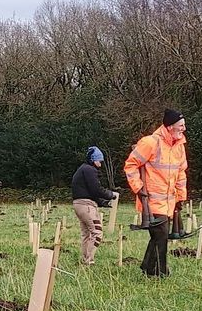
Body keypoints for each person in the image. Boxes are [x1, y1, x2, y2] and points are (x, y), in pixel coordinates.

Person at [124, 109, 189, 278]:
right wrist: (138, 188)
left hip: (169, 202)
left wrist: (181, 197)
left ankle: (148, 268)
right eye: (181, 125)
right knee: (161, 235)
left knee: (158, 236)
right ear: (170, 127)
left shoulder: (179, 147)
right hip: (151, 202)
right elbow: (130, 165)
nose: (184, 128)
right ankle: (160, 272)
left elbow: (181, 173)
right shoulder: (150, 143)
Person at [71, 146, 119, 265]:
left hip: (78, 204)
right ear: (93, 160)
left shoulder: (82, 169)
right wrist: (110, 195)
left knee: (86, 234)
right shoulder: (89, 170)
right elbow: (96, 189)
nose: (100, 164)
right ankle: (89, 260)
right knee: (97, 232)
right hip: (86, 206)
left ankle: (85, 259)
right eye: (99, 161)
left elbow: (89, 191)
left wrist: (102, 202)